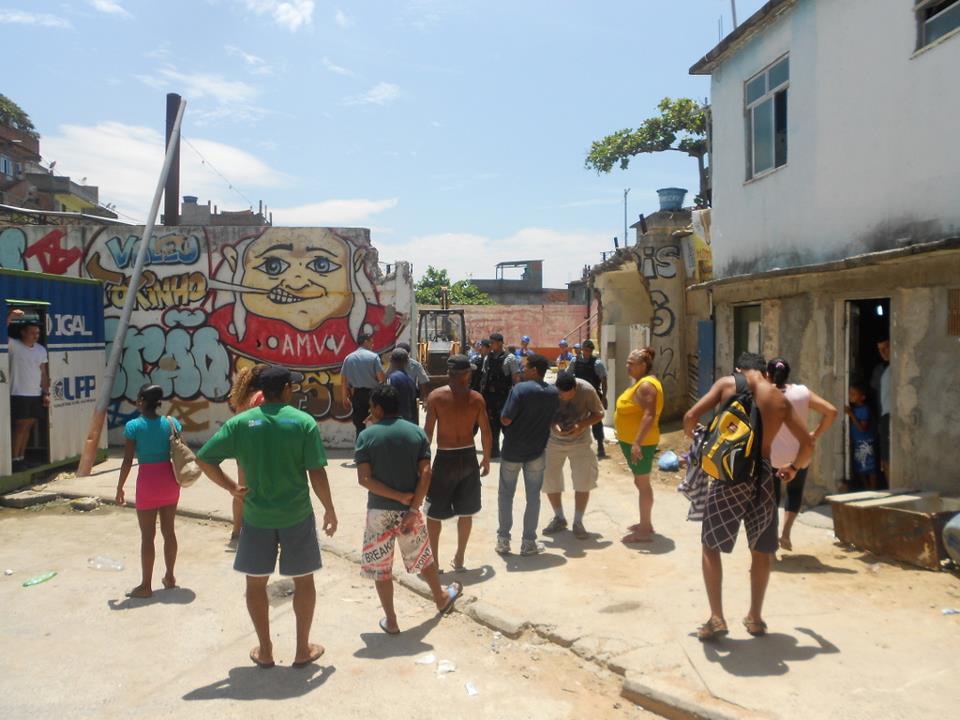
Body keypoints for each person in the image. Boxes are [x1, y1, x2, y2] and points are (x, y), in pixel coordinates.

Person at [196, 366, 338, 669]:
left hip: (256, 517)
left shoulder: (241, 423)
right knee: (304, 581)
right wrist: (329, 508)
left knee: (256, 583)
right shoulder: (303, 423)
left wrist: (233, 488)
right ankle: (302, 649)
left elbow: (204, 459)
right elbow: (316, 472)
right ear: (287, 389)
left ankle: (266, 649)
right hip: (296, 514)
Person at [683, 352, 813, 641]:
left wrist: (697, 444)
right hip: (764, 478)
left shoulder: (727, 384)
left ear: (739, 369)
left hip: (728, 476)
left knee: (711, 545)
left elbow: (690, 416)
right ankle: (755, 617)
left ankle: (716, 617)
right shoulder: (779, 400)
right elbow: (807, 444)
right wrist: (792, 468)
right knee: (762, 549)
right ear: (765, 373)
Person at [356, 384, 463, 634]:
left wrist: (397, 496)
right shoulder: (417, 434)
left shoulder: (366, 436)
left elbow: (364, 480)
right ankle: (441, 598)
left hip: (378, 512)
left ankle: (391, 620)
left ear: (378, 409)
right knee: (422, 557)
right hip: (410, 513)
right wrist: (413, 506)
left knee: (381, 568)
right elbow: (426, 472)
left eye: (372, 407)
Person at [424, 355, 492, 570]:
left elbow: (427, 433)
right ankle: (460, 558)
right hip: (468, 457)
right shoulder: (476, 399)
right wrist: (487, 458)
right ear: (466, 374)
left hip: (444, 457)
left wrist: (423, 462)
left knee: (434, 513)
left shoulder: (436, 397)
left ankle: (433, 561)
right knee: (466, 511)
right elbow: (486, 432)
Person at [115, 385, 181, 599]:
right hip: (170, 481)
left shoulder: (134, 426)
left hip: (147, 483)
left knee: (148, 537)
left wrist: (120, 487)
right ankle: (170, 577)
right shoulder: (172, 423)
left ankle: (146, 586)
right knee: (169, 532)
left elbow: (127, 460)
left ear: (142, 400)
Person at [767, 357, 838, 552]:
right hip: (799, 456)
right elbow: (831, 411)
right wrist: (815, 434)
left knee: (770, 498)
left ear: (768, 374)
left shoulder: (764, 395)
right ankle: (786, 533)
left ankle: (770, 537)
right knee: (795, 492)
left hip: (772, 456)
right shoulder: (801, 392)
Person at [497, 354, 560, 556]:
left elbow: (506, 419)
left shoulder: (520, 390)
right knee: (533, 497)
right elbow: (552, 421)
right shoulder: (552, 393)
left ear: (534, 370)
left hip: (512, 451)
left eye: (526, 367)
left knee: (506, 495)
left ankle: (503, 541)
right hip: (536, 452)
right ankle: (528, 542)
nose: (523, 370)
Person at [542, 371, 604, 539]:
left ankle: (578, 521)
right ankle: (559, 517)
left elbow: (599, 413)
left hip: (580, 441)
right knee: (549, 479)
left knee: (583, 480)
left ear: (576, 388)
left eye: (570, 395)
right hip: (554, 442)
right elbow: (542, 414)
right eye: (562, 396)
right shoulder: (549, 392)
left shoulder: (587, 390)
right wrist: (553, 426)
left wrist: (581, 425)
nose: (566, 398)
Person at [615, 348, 663, 543]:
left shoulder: (646, 386)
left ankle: (644, 530)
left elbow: (649, 415)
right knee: (640, 482)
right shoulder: (641, 384)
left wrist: (637, 443)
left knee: (643, 485)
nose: (628, 366)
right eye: (627, 362)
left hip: (641, 442)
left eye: (631, 363)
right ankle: (645, 523)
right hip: (635, 441)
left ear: (643, 365)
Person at [226, 363, 268, 546]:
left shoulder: (242, 397)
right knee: (261, 490)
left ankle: (237, 531)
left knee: (241, 490)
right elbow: (261, 423)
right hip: (256, 449)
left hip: (241, 448)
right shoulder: (260, 397)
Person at [6, 309, 49, 471]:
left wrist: (45, 393)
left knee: (29, 425)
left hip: (35, 394)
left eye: (37, 333)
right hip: (18, 393)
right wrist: (10, 316)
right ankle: (14, 459)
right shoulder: (14, 346)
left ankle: (21, 457)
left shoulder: (40, 350)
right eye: (32, 332)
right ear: (23, 332)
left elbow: (43, 373)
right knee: (19, 427)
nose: (35, 335)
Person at [480, 332, 521, 458]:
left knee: (507, 426)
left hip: (504, 398)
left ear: (499, 343)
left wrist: (517, 398)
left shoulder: (510, 358)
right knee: (492, 426)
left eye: (492, 342)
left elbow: (516, 379)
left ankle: (509, 451)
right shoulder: (488, 357)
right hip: (490, 398)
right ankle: (493, 452)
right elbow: (484, 377)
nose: (490, 345)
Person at [341, 332, 385, 438]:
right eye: (371, 342)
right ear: (365, 342)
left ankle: (360, 447)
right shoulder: (374, 357)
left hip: (357, 394)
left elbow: (343, 380)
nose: (373, 344)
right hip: (373, 394)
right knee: (378, 422)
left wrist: (344, 398)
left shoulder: (349, 358)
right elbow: (381, 379)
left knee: (359, 425)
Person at [573, 339, 608, 459]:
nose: (588, 352)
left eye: (590, 350)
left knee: (596, 420)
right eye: (586, 350)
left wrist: (603, 397)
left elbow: (604, 381)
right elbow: (568, 374)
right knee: (577, 419)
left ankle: (600, 445)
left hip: (593, 395)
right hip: (578, 394)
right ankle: (577, 446)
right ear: (582, 349)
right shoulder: (575, 360)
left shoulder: (597, 363)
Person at [845, 382, 879, 491]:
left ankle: (873, 488)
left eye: (854, 394)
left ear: (862, 397)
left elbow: (862, 428)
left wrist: (851, 414)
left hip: (866, 442)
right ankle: (867, 488)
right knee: (860, 466)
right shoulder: (854, 409)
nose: (850, 396)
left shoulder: (864, 410)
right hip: (858, 442)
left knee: (870, 466)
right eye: (850, 393)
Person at [870, 339, 891, 479]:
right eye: (879, 349)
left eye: (886, 348)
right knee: (885, 457)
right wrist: (878, 419)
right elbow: (877, 397)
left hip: (896, 414)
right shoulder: (879, 370)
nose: (882, 352)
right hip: (884, 416)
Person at [396, 341, 430, 423]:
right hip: (395, 397)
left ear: (408, 354)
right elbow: (384, 378)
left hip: (410, 397)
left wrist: (425, 398)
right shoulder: (392, 364)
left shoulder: (415, 365)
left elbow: (423, 381)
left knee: (412, 421)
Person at [386, 348, 418, 423]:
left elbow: (389, 400)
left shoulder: (392, 378)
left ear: (391, 360)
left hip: (395, 421)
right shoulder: (410, 380)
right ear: (407, 362)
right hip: (408, 420)